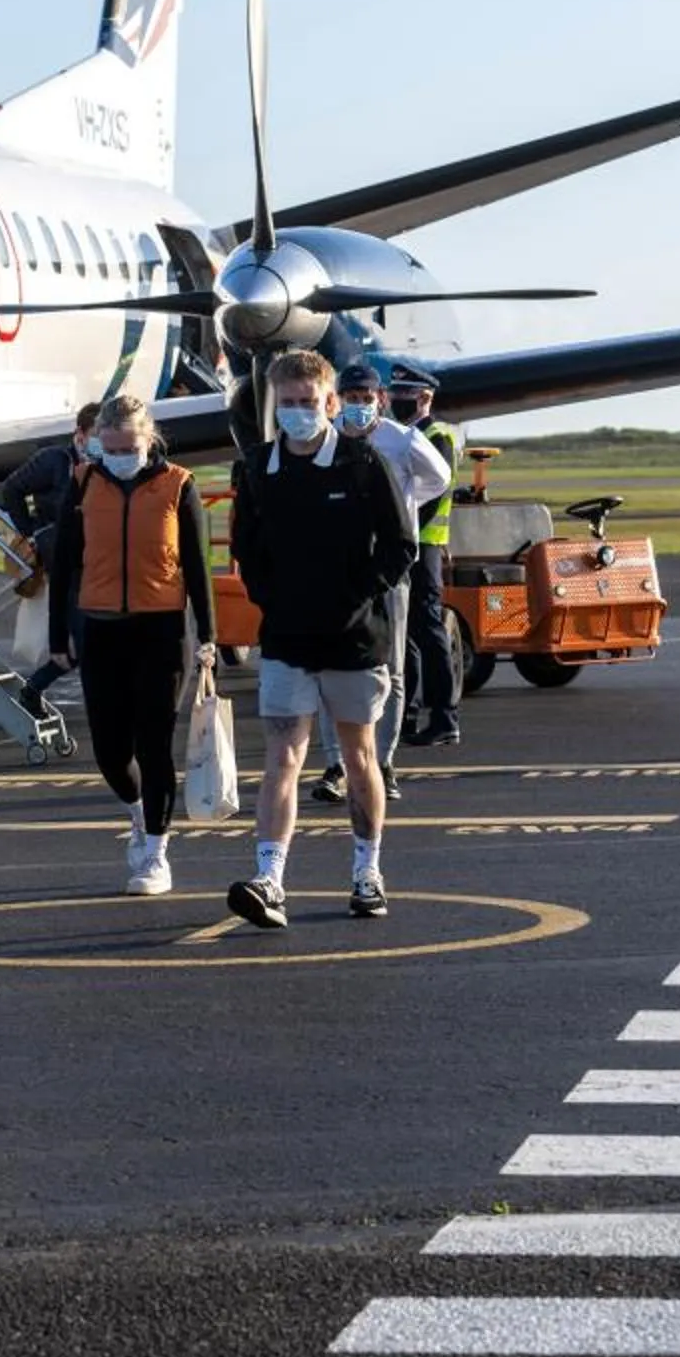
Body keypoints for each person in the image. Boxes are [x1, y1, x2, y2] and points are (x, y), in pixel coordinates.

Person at [226, 349, 416, 927]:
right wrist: (271, 600)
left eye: (308, 403)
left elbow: (399, 546)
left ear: (331, 403)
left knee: (359, 758)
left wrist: (358, 594)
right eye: (287, 404)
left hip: (354, 640)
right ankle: (270, 877)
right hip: (286, 637)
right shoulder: (257, 469)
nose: (298, 413)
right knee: (283, 755)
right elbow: (247, 548)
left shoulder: (363, 464)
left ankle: (367, 870)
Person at [47, 396, 217, 897]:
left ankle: (156, 853)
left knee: (154, 742)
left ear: (150, 440)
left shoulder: (178, 485)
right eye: (111, 447)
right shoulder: (83, 483)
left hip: (162, 630)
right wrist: (58, 636)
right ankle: (139, 814)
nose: (120, 455)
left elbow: (197, 564)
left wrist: (208, 635)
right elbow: (64, 566)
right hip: (101, 629)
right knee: (110, 750)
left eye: (130, 446)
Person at [311, 361, 448, 806]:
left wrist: (403, 508)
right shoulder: (325, 439)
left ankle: (383, 762)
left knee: (391, 668)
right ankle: (336, 764)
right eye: (350, 399)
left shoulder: (402, 440)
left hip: (389, 567)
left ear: (380, 400)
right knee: (331, 669)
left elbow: (439, 479)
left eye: (365, 399)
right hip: (339, 570)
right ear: (337, 401)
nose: (357, 407)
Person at [2, 403, 101, 716]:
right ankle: (104, 709)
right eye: (97, 434)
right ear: (80, 435)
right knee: (85, 636)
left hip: (97, 558)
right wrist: (32, 533)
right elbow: (12, 489)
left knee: (90, 638)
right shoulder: (54, 460)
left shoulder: (106, 464)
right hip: (64, 561)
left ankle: (34, 688)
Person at [384, 365, 465, 747]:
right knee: (411, 634)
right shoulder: (409, 435)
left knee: (427, 630)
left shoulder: (436, 435)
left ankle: (444, 716)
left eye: (406, 395)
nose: (398, 401)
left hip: (423, 544)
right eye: (395, 394)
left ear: (425, 397)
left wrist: (403, 535)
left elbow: (431, 496)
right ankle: (408, 715)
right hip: (413, 544)